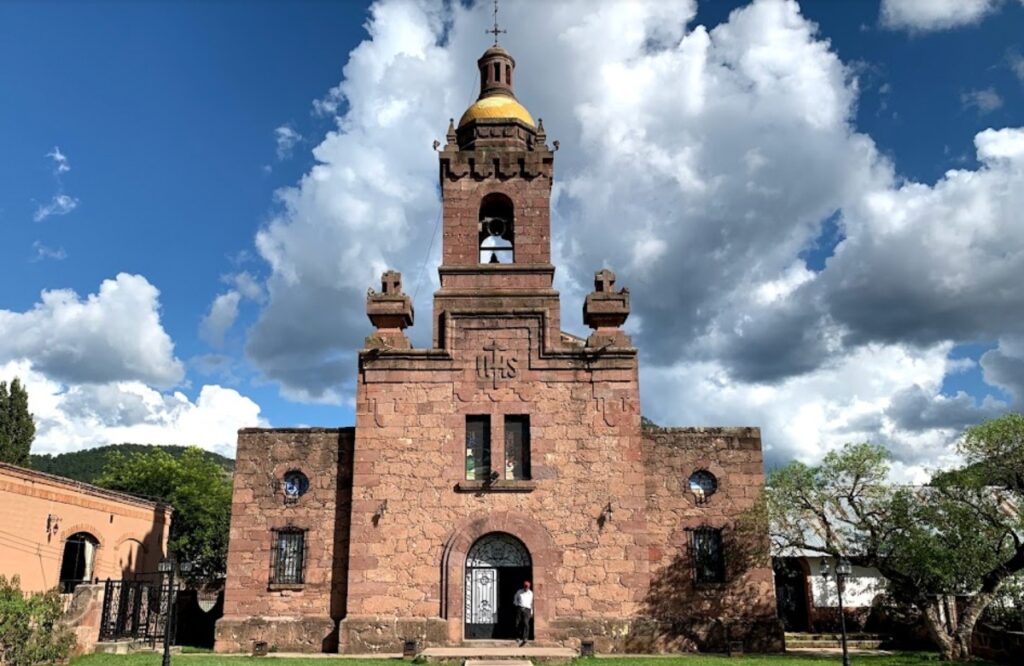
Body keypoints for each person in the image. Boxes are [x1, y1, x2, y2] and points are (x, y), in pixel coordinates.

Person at [513, 580, 533, 646]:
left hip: (527, 609)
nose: (526, 588)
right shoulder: (519, 592)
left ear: (529, 587)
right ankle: (518, 637)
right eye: (525, 586)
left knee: (526, 623)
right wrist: (516, 604)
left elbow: (532, 603)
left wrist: (531, 611)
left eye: (527, 587)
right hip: (520, 608)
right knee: (518, 623)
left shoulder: (531, 593)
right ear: (523, 586)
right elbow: (515, 598)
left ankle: (525, 637)